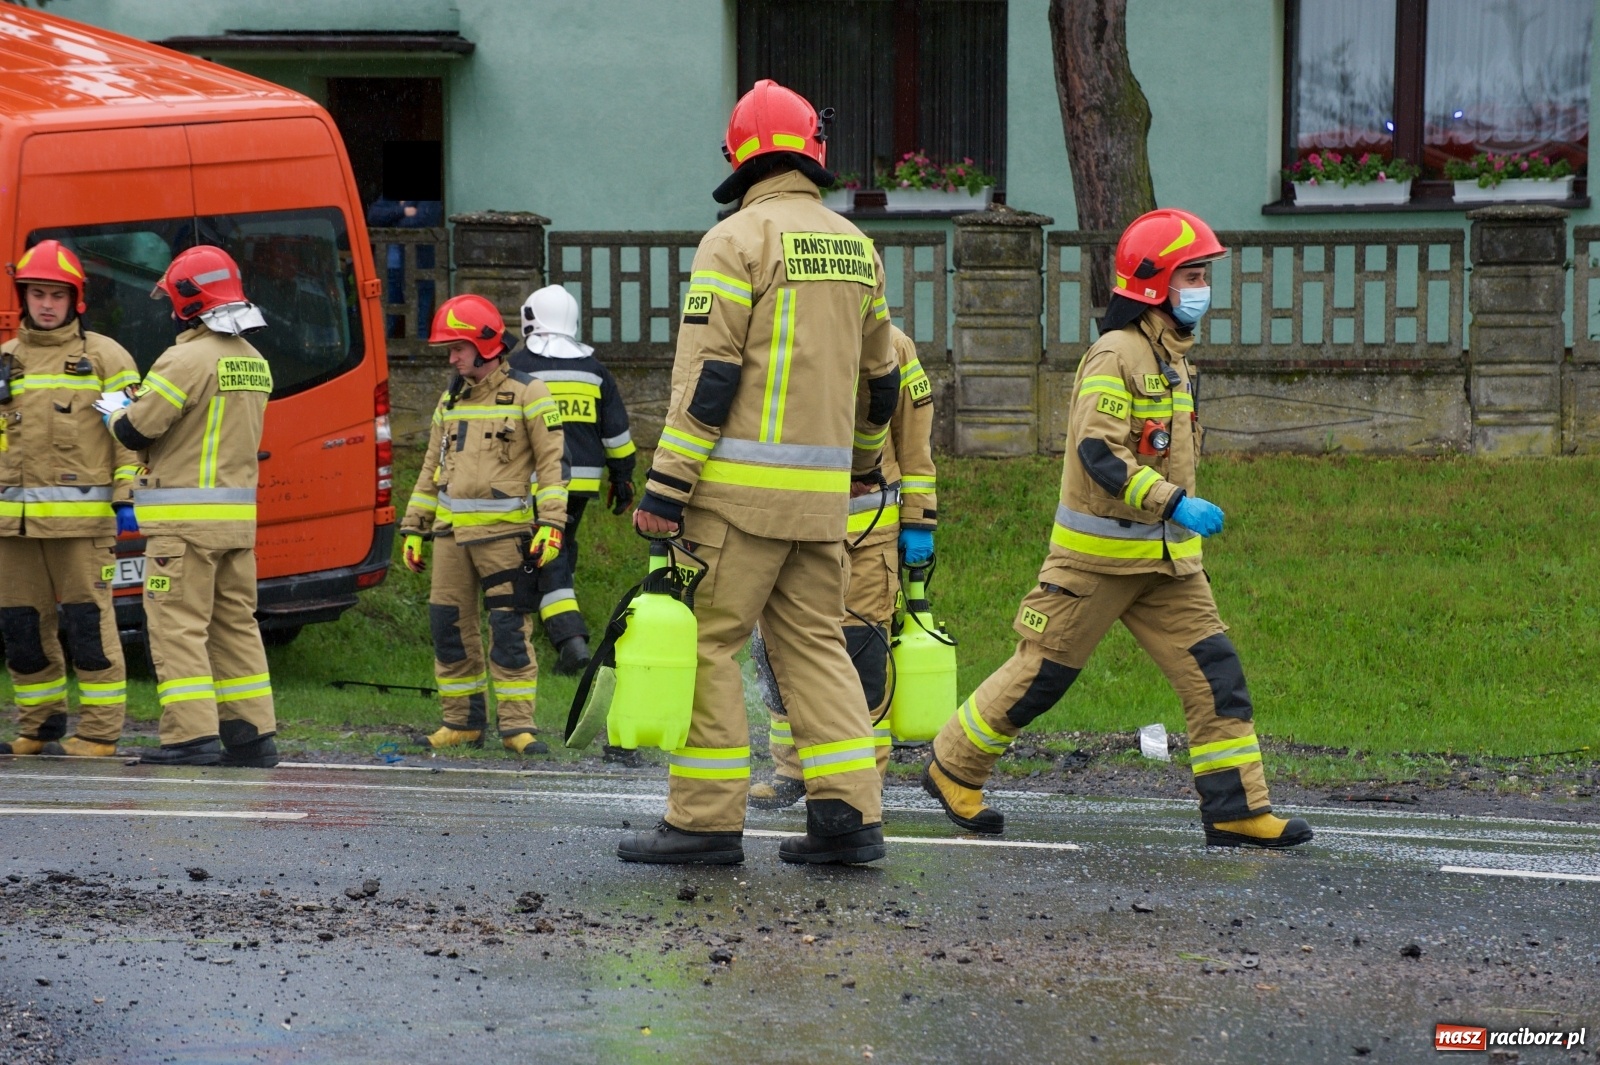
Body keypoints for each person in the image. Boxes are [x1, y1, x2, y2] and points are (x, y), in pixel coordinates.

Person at [921, 209, 1314, 850]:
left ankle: (1238, 809)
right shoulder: (1117, 354)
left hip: (1167, 566)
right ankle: (953, 766)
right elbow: (1097, 454)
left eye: (1203, 275)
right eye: (1192, 275)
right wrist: (1173, 502)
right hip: (1096, 564)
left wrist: (1173, 515)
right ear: (1155, 283)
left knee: (1217, 678)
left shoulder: (1173, 358)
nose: (1203, 288)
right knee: (1041, 676)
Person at [616, 79, 900, 866]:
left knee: (707, 643)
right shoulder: (858, 247)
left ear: (738, 155)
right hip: (822, 507)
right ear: (813, 150)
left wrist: (667, 486)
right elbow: (880, 385)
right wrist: (864, 465)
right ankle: (849, 818)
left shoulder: (734, 241)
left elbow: (709, 379)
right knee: (816, 647)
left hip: (735, 503)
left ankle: (704, 822)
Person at [101, 245, 279, 767]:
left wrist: (115, 413)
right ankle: (252, 736)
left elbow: (137, 430)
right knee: (235, 626)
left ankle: (190, 737)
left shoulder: (183, 361)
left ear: (187, 301)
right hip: (236, 526)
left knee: (177, 626)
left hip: (183, 528)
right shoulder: (255, 361)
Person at [749, 323, 937, 808]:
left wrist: (920, 520)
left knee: (863, 658)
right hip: (793, 528)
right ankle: (793, 769)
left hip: (868, 536)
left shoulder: (894, 345)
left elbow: (914, 442)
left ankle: (860, 784)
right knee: (780, 652)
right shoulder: (787, 329)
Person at [399, 294, 568, 756]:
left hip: (505, 537)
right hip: (450, 537)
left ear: (486, 345)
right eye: (449, 350)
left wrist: (551, 524)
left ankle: (517, 728)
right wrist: (414, 527)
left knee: (509, 632)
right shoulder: (450, 400)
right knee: (448, 629)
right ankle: (461, 724)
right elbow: (431, 467)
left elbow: (553, 465)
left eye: (457, 348)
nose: (451, 358)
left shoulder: (531, 393)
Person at [0, 240, 140, 757]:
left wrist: (128, 497)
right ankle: (38, 728)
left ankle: (99, 734)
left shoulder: (104, 357)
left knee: (88, 628)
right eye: (37, 293)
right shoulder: (5, 360)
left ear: (75, 299)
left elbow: (130, 434)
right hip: (12, 529)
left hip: (83, 527)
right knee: (21, 629)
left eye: (56, 295)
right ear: (23, 296)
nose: (46, 304)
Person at [508, 284, 636, 676]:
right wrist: (623, 478)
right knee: (560, 549)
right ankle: (558, 623)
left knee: (549, 556)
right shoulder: (594, 371)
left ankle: (570, 641)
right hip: (582, 484)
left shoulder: (518, 367)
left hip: (538, 483)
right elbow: (616, 434)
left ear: (531, 318)